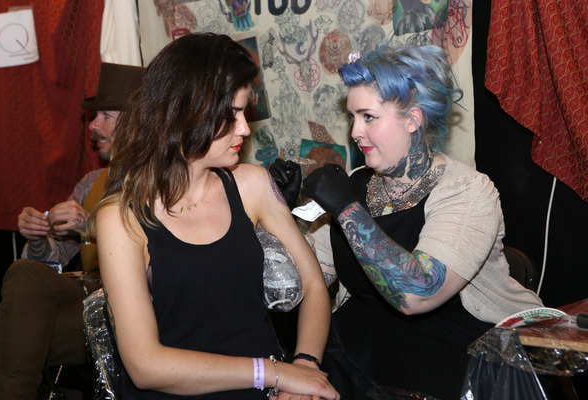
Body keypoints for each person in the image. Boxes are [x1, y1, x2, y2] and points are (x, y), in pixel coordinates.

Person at [276, 44, 544, 400]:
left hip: (455, 353)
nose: (355, 132)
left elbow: (416, 294)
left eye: (368, 117)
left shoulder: (467, 191)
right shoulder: (355, 184)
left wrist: (345, 209)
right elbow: (299, 283)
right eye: (353, 117)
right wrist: (276, 215)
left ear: (412, 120)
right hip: (366, 347)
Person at [91, 33, 339, 400]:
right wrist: (275, 372)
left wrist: (305, 363)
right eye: (231, 115)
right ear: (185, 112)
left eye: (244, 113)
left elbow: (314, 285)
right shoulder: (121, 216)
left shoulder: (253, 185)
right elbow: (145, 365)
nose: (244, 129)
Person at [0, 62, 145, 400]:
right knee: (24, 272)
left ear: (136, 122)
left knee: (5, 329)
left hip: (134, 304)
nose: (93, 126)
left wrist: (93, 226)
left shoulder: (160, 180)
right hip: (87, 294)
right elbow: (49, 264)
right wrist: (39, 237)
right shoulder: (91, 183)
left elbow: (160, 254)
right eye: (94, 116)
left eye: (105, 116)